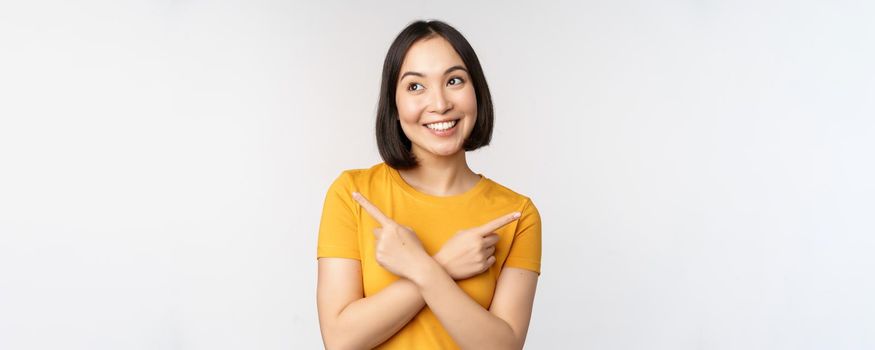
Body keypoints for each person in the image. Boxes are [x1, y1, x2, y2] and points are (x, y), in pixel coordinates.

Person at [316, 19, 542, 349]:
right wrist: (444, 265)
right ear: (393, 104)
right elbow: (340, 341)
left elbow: (502, 347)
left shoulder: (516, 214)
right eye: (415, 86)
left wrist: (423, 269)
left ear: (477, 91)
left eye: (454, 81)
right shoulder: (353, 193)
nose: (439, 103)